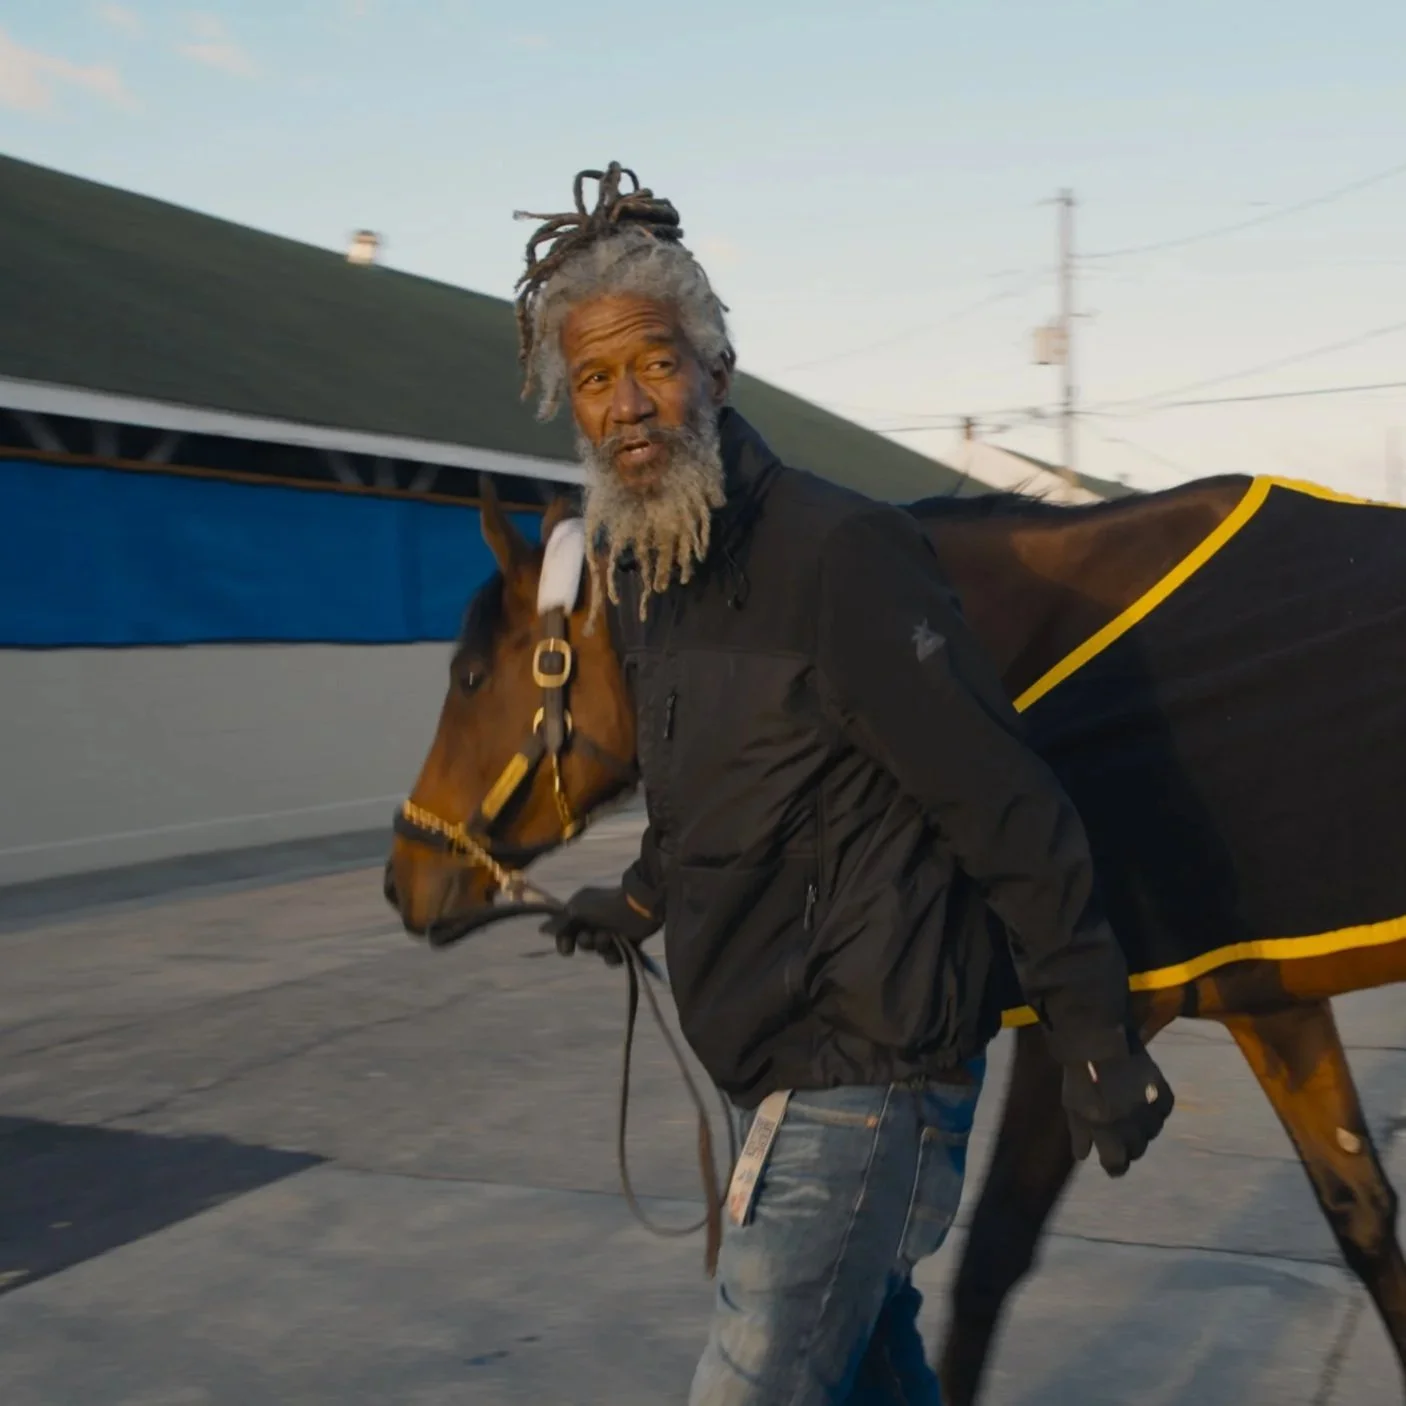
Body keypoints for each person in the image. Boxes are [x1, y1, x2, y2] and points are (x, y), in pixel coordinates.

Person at [518, 164, 1174, 1405]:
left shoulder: (840, 551)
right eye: (594, 379)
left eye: (651, 363)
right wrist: (641, 896)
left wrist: (1094, 1028)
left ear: (714, 368)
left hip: (865, 1066)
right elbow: (713, 784)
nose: (626, 403)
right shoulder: (646, 568)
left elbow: (1001, 799)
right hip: (764, 1050)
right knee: (869, 1368)